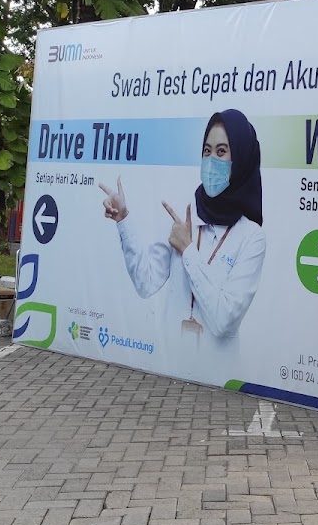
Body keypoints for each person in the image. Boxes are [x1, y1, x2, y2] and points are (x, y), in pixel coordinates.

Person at [99, 109, 267, 367]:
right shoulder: (181, 215)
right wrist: (123, 220)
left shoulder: (252, 238)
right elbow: (145, 282)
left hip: (218, 377)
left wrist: (188, 251)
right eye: (207, 151)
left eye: (222, 151)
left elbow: (224, 319)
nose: (211, 160)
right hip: (169, 367)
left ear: (242, 159)